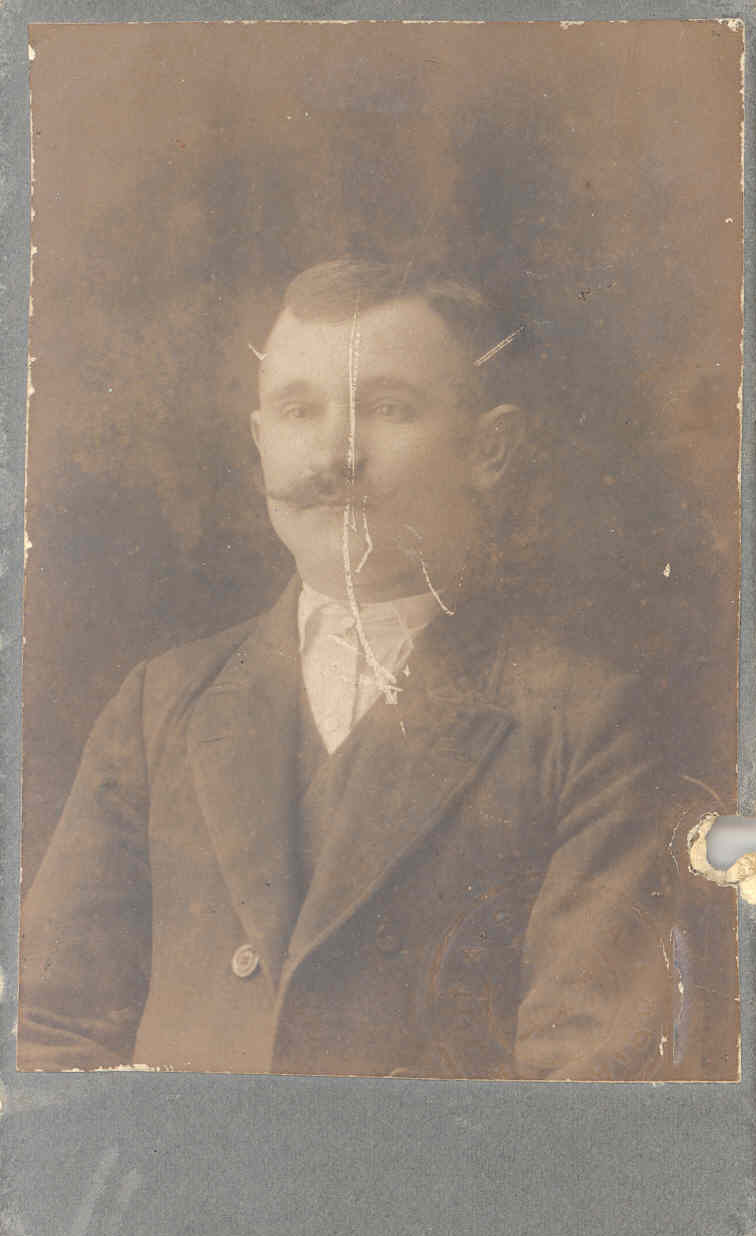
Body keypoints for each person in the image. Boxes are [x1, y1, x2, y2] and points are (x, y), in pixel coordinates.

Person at [19, 257, 685, 1079]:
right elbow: (46, 1034)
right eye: (298, 410)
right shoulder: (161, 703)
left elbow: (589, 1088)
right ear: (260, 443)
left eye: (389, 408)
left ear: (489, 450)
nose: (335, 453)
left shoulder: (582, 723)